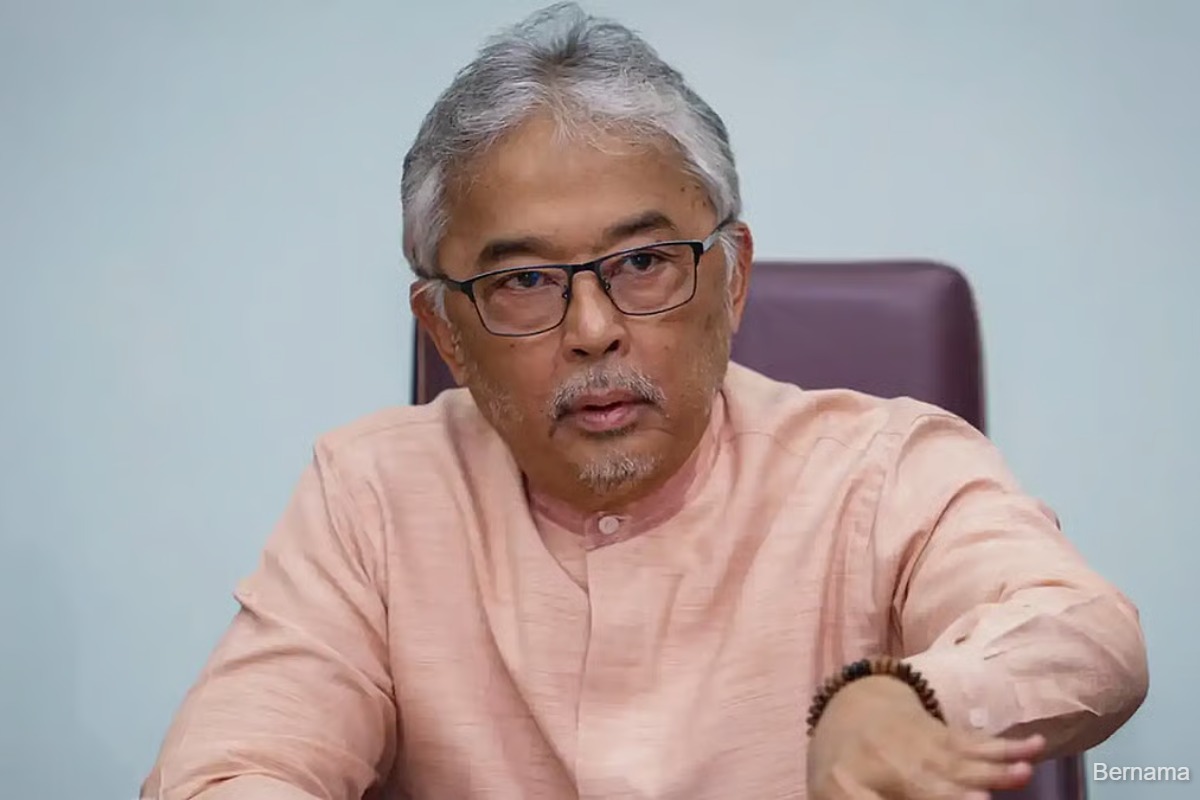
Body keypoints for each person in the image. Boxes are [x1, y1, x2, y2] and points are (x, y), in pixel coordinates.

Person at [141, 3, 1148, 798]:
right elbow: (230, 768)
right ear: (446, 332)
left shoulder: (882, 470)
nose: (593, 328)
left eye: (643, 262)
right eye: (525, 280)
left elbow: (1084, 630)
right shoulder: (369, 494)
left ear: (732, 278)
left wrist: (904, 695)